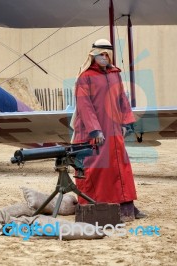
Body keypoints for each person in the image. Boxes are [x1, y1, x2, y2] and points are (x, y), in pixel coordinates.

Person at [70, 39, 147, 222]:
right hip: (94, 133)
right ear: (93, 55)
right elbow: (84, 105)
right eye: (100, 55)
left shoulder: (115, 75)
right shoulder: (85, 77)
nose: (103, 58)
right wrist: (95, 131)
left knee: (121, 167)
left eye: (106, 55)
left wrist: (126, 122)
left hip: (114, 131)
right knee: (95, 169)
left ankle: (126, 207)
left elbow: (122, 99)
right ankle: (94, 208)